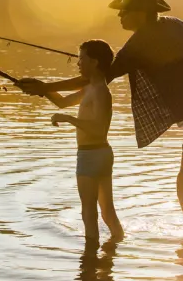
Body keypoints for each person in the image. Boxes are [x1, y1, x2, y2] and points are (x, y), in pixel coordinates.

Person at [19, 0, 183, 242]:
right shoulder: (176, 25)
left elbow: (99, 78)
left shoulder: (139, 43)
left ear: (141, 12)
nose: (119, 16)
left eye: (124, 11)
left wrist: (46, 87)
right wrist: (47, 88)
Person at [43, 40, 125, 243]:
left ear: (95, 62)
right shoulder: (91, 88)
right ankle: (114, 249)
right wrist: (40, 88)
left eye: (81, 58)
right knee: (106, 212)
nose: (78, 63)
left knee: (89, 212)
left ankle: (89, 261)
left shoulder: (100, 91)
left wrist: (69, 119)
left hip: (91, 155)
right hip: (100, 154)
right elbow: (62, 102)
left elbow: (99, 129)